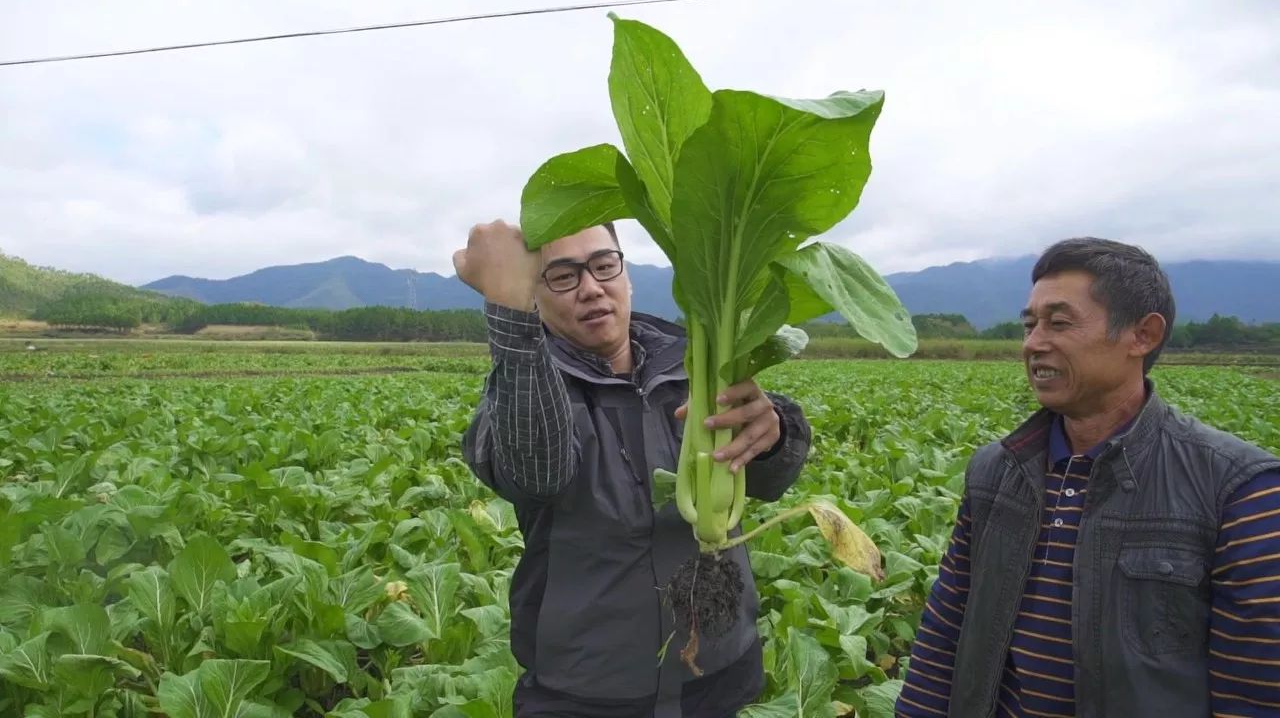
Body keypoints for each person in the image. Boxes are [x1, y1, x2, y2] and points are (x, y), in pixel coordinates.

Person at [895, 237, 1280, 717]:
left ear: (1143, 335)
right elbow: (944, 635)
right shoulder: (995, 471)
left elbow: (1254, 697)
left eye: (1059, 322)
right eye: (1030, 324)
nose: (1034, 342)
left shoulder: (1239, 490)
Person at [455, 219, 813, 718]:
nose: (590, 287)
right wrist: (508, 315)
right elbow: (537, 471)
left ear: (627, 276)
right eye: (562, 276)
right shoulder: (523, 392)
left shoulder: (700, 365)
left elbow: (771, 481)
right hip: (589, 693)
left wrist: (773, 436)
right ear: (533, 295)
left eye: (603, 266)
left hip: (721, 676)